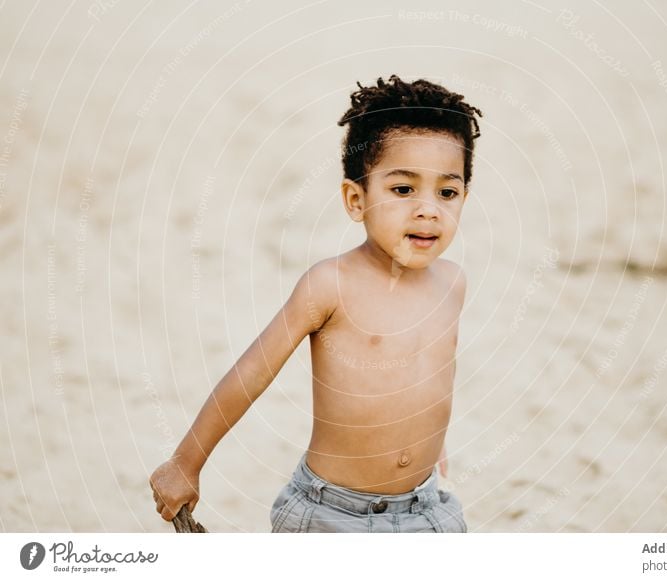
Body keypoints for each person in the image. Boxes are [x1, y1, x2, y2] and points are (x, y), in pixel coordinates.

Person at [150, 75, 482, 533]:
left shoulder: (452, 282)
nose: (428, 210)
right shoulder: (330, 285)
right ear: (355, 199)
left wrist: (427, 435)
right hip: (332, 513)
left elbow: (433, 370)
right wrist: (186, 462)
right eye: (403, 190)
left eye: (447, 192)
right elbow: (252, 372)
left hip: (426, 508)